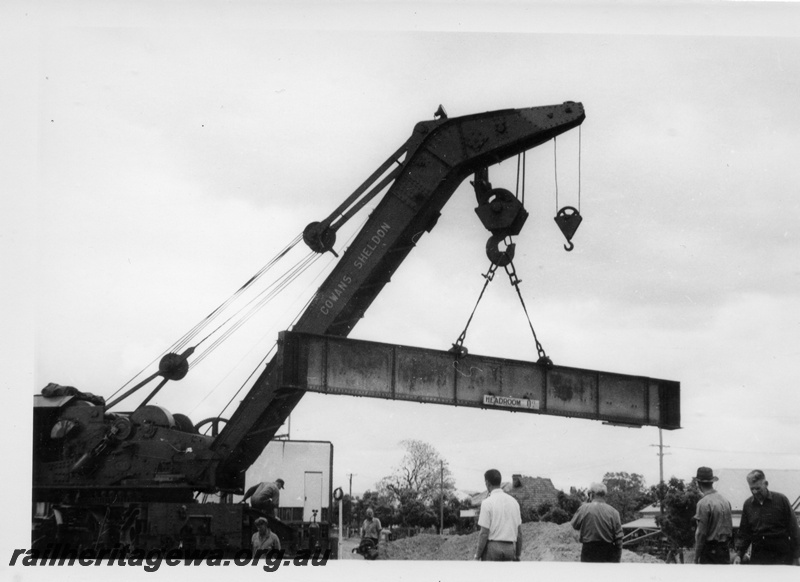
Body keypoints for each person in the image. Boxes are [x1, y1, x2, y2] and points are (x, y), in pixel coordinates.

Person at [734, 470, 800, 566]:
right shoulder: (748, 505)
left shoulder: (781, 500)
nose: (755, 492)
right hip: (759, 557)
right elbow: (744, 533)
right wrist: (739, 555)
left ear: (766, 484)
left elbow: (794, 530)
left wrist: (796, 556)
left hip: (781, 557)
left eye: (758, 488)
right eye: (752, 489)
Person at [474, 469, 522, 561]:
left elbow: (484, 533)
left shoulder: (487, 503)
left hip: (493, 549)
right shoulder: (514, 502)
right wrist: (518, 555)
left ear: (487, 483)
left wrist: (478, 555)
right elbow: (519, 533)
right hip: (510, 549)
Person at [570, 482, 623, 563]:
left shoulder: (584, 508)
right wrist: (617, 560)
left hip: (589, 551)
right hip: (608, 552)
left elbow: (575, 525)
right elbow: (619, 540)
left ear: (592, 494)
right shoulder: (614, 512)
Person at [692, 466, 733, 564]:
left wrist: (696, 557)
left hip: (710, 551)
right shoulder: (725, 500)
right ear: (712, 482)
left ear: (698, 484)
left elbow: (701, 534)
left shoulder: (703, 503)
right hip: (724, 550)